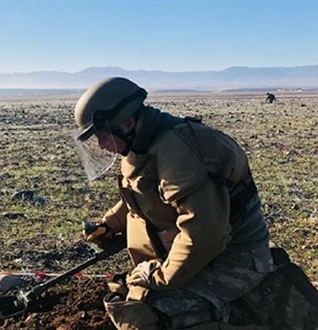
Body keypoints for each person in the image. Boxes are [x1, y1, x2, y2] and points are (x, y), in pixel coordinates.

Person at [73, 77, 273, 329]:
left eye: (103, 136)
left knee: (152, 314)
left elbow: (204, 235)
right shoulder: (141, 142)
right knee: (130, 296)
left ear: (127, 122)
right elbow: (142, 193)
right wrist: (110, 224)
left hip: (235, 258)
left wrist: (158, 278)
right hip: (200, 251)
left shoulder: (181, 155)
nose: (102, 145)